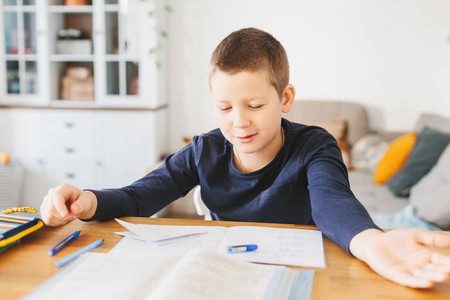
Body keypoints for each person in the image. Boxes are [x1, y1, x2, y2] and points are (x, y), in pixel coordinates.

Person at [40, 27, 450, 288]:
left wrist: (371, 242)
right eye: (224, 108)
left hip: (301, 272)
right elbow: (140, 196)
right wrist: (89, 200)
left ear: (285, 98)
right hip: (226, 272)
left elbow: (333, 202)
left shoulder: (315, 145)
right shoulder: (204, 150)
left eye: (254, 105)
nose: (239, 123)